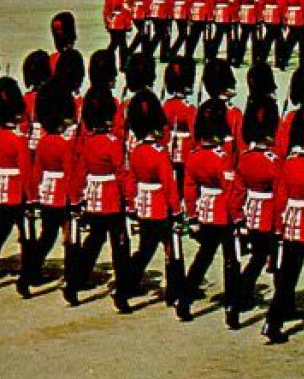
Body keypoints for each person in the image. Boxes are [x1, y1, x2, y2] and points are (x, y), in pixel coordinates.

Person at [115, 90, 184, 312]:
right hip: (160, 206)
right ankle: (173, 293)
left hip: (144, 205)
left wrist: (133, 203)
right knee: (171, 249)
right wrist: (176, 209)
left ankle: (125, 289)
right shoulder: (159, 153)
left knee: (146, 250)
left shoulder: (136, 151)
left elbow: (131, 181)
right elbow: (169, 185)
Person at [264, 103, 304, 344]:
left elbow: (280, 198)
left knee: (287, 279)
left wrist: (279, 227)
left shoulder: (287, 163)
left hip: (289, 223)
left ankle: (273, 321)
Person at [178, 99, 243, 326]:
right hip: (223, 213)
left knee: (203, 258)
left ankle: (185, 300)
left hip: (205, 212)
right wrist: (237, 217)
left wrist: (193, 215)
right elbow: (230, 190)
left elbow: (188, 188)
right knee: (230, 261)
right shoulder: (222, 158)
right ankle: (232, 308)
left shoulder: (194, 156)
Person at [67, 87, 131, 309]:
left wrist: (76, 198)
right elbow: (121, 174)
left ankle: (73, 284)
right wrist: (130, 199)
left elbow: (80, 172)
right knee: (120, 247)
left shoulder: (88, 142)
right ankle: (122, 293)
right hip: (112, 199)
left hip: (93, 198)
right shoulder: (113, 142)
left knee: (92, 244)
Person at [19, 84, 80, 298]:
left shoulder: (43, 142)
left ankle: (26, 276)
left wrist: (33, 197)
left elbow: (36, 172)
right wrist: (75, 200)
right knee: (70, 239)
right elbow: (70, 173)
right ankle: (71, 285)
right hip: (63, 195)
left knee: (46, 238)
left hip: (46, 195)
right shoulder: (65, 145)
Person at [232, 96, 281, 324]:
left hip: (251, 213)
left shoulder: (245, 159)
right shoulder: (273, 161)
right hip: (269, 215)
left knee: (258, 258)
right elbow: (280, 193)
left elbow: (238, 192)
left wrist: (238, 217)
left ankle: (240, 296)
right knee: (275, 260)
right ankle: (282, 302)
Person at [0, 78, 32, 280]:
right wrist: (31, 194)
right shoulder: (18, 140)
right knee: (25, 233)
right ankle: (28, 270)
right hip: (17, 190)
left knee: (1, 229)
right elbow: (25, 170)